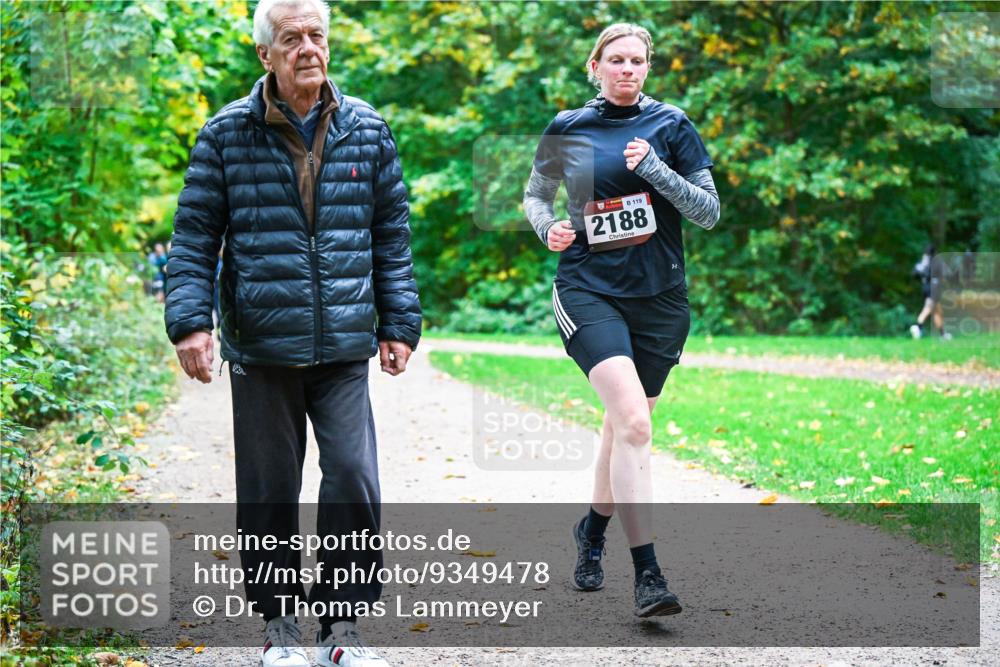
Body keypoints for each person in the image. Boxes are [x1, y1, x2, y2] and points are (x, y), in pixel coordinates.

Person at [163, 0, 421, 664]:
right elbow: (194, 239)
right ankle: (280, 628)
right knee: (270, 489)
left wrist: (400, 322)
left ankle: (343, 629)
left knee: (353, 476)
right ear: (265, 54)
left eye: (317, 35)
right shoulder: (225, 133)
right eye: (291, 38)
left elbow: (390, 237)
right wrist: (192, 322)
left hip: (342, 344)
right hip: (261, 347)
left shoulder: (368, 128)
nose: (308, 47)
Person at [523, 23, 720, 618]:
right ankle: (649, 575)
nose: (628, 69)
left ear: (647, 68)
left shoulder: (671, 126)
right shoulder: (569, 126)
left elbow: (708, 213)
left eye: (638, 61)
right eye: (617, 60)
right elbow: (537, 195)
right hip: (588, 288)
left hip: (660, 299)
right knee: (633, 422)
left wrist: (656, 170)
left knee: (622, 427)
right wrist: (547, 227)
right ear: (596, 66)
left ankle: (591, 533)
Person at [910, 244, 950, 339]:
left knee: (937, 311)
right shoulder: (936, 261)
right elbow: (945, 275)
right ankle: (917, 326)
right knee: (928, 308)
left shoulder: (922, 261)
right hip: (933, 288)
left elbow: (914, 274)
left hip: (925, 287)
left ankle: (943, 334)